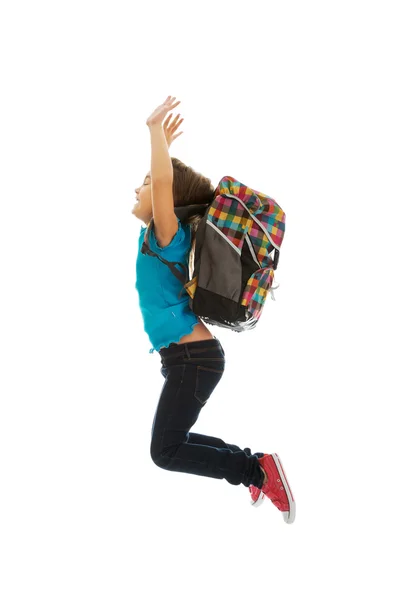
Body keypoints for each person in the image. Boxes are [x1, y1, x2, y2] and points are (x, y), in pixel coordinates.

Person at [132, 96, 295, 524]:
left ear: (168, 197)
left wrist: (156, 137)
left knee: (165, 450)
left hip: (195, 359)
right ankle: (254, 467)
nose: (138, 188)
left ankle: (255, 469)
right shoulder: (157, 242)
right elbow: (166, 185)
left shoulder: (169, 236)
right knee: (169, 444)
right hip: (183, 359)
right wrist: (159, 151)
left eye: (145, 182)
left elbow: (166, 186)